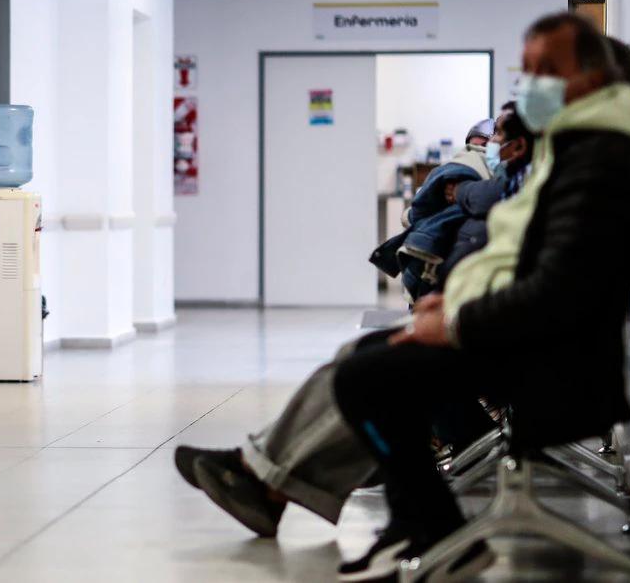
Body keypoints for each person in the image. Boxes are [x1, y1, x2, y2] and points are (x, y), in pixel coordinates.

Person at [331, 12, 630, 581]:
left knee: (364, 378)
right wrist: (450, 305)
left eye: (548, 68)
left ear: (593, 76)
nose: (532, 82)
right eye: (527, 68)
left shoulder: (601, 158)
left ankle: (433, 525)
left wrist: (456, 325)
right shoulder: (575, 145)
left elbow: (559, 291)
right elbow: (529, 259)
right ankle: (421, 522)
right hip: (534, 339)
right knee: (367, 360)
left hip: (556, 360)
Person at [173, 117, 535, 541]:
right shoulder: (546, 173)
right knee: (361, 355)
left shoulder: (570, 172)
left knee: (366, 371)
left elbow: (546, 280)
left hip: (521, 348)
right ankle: (264, 477)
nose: (491, 147)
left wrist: (463, 319)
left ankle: (273, 480)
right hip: (504, 331)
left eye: (499, 137)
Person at [372, 119, 498, 302]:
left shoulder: (503, 178)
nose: (477, 150)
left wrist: (458, 191)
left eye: (485, 145)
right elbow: (419, 209)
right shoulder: (453, 170)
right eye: (473, 146)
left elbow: (414, 214)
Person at [437, 104, 536, 285]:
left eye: (498, 134)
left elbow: (488, 195)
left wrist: (460, 191)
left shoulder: (526, 176)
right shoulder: (508, 173)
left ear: (519, 146)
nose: (491, 142)